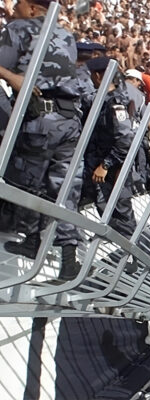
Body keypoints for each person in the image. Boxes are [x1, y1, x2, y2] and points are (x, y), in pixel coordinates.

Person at [0, 0, 82, 279]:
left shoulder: (19, 28)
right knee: (63, 188)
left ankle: (34, 241)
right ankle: (69, 259)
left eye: (19, 4)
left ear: (33, 9)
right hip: (70, 120)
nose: (13, 10)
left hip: (41, 120)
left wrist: (12, 77)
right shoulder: (66, 35)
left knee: (28, 182)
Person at [83, 56, 137, 239]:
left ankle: (130, 256)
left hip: (113, 168)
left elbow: (125, 140)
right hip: (102, 164)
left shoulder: (115, 104)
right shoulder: (102, 100)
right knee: (106, 206)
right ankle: (113, 237)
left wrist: (105, 165)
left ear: (99, 76)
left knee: (121, 210)